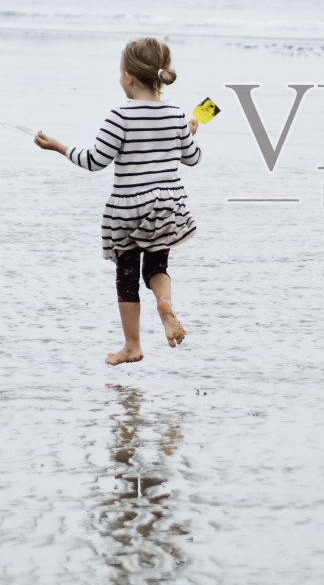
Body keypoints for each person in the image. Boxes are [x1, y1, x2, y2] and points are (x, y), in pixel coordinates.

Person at [34, 37, 202, 365]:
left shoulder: (120, 116)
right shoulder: (176, 115)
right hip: (167, 207)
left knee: (127, 273)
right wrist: (189, 133)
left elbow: (95, 160)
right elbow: (192, 159)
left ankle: (132, 345)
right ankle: (164, 303)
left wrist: (58, 147)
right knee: (157, 266)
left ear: (128, 76)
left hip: (128, 209)